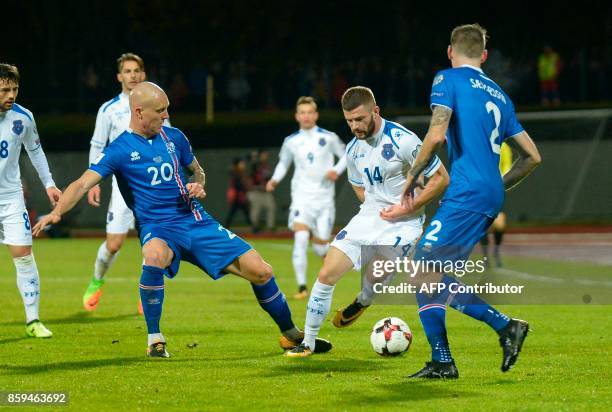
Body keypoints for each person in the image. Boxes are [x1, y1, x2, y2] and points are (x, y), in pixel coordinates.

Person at [33, 82, 331, 358]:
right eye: (160, 110)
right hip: (158, 228)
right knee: (153, 257)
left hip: (195, 221)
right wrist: (57, 213)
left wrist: (199, 183)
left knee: (262, 271)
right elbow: (83, 183)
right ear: (139, 112)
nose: (167, 115)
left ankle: (291, 334)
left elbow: (198, 171)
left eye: (167, 109)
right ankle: (155, 339)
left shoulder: (175, 138)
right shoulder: (120, 149)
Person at [401, 24, 542, 378]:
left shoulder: (447, 79)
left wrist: (413, 174)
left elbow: (436, 133)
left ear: (451, 51)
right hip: (486, 191)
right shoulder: (499, 94)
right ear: (484, 55)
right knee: (428, 274)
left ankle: (505, 326)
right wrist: (497, 185)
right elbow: (532, 157)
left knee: (422, 268)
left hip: (468, 190)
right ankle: (442, 361)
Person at [286, 86, 449, 357]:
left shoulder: (403, 140)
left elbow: (441, 178)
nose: (355, 126)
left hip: (404, 222)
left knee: (374, 275)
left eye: (360, 119)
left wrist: (406, 206)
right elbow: (359, 187)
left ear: (376, 111)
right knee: (326, 273)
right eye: (349, 121)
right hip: (369, 216)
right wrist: (375, 207)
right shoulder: (352, 149)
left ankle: (363, 300)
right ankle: (309, 343)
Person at [84, 53, 167, 313]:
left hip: (151, 187)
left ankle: (147, 293)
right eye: (127, 71)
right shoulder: (109, 109)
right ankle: (97, 280)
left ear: (143, 74)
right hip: (122, 187)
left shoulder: (155, 104)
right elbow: (98, 144)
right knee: (114, 244)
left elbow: (167, 139)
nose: (132, 75)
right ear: (119, 76)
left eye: (136, 71)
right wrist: (93, 181)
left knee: (154, 241)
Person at [0, 63, 61, 338]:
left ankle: (33, 321)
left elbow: (35, 152)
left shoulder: (23, 117)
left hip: (11, 198)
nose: (10, 95)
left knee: (24, 256)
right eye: (4, 90)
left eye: (14, 89)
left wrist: (49, 183)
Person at [266, 96, 346, 299]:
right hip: (301, 197)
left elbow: (346, 155)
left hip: (324, 199)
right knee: (301, 237)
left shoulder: (329, 137)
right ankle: (302, 287)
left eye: (310, 112)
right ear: (297, 116)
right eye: (302, 112)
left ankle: (335, 269)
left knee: (321, 246)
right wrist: (274, 180)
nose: (306, 116)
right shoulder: (291, 141)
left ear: (316, 115)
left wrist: (336, 170)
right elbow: (283, 163)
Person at [480, 142, 512, 267]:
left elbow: (507, 168)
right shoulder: (479, 144)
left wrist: (499, 183)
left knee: (500, 224)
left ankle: (496, 250)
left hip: (496, 190)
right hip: (481, 189)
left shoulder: (504, 147)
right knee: (483, 224)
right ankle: (485, 256)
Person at [247, 150, 276, 232]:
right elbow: (251, 168)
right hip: (255, 191)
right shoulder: (255, 164)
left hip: (264, 191)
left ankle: (271, 226)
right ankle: (254, 227)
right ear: (259, 156)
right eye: (263, 155)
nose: (265, 156)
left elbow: (268, 177)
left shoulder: (266, 166)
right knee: (255, 211)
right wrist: (254, 158)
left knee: (271, 207)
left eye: (266, 155)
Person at [224, 157, 252, 229]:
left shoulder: (240, 172)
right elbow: (237, 185)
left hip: (240, 196)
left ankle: (253, 227)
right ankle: (226, 227)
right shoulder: (235, 172)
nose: (243, 165)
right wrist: (245, 188)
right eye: (241, 163)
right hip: (237, 196)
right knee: (234, 212)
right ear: (237, 164)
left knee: (244, 212)